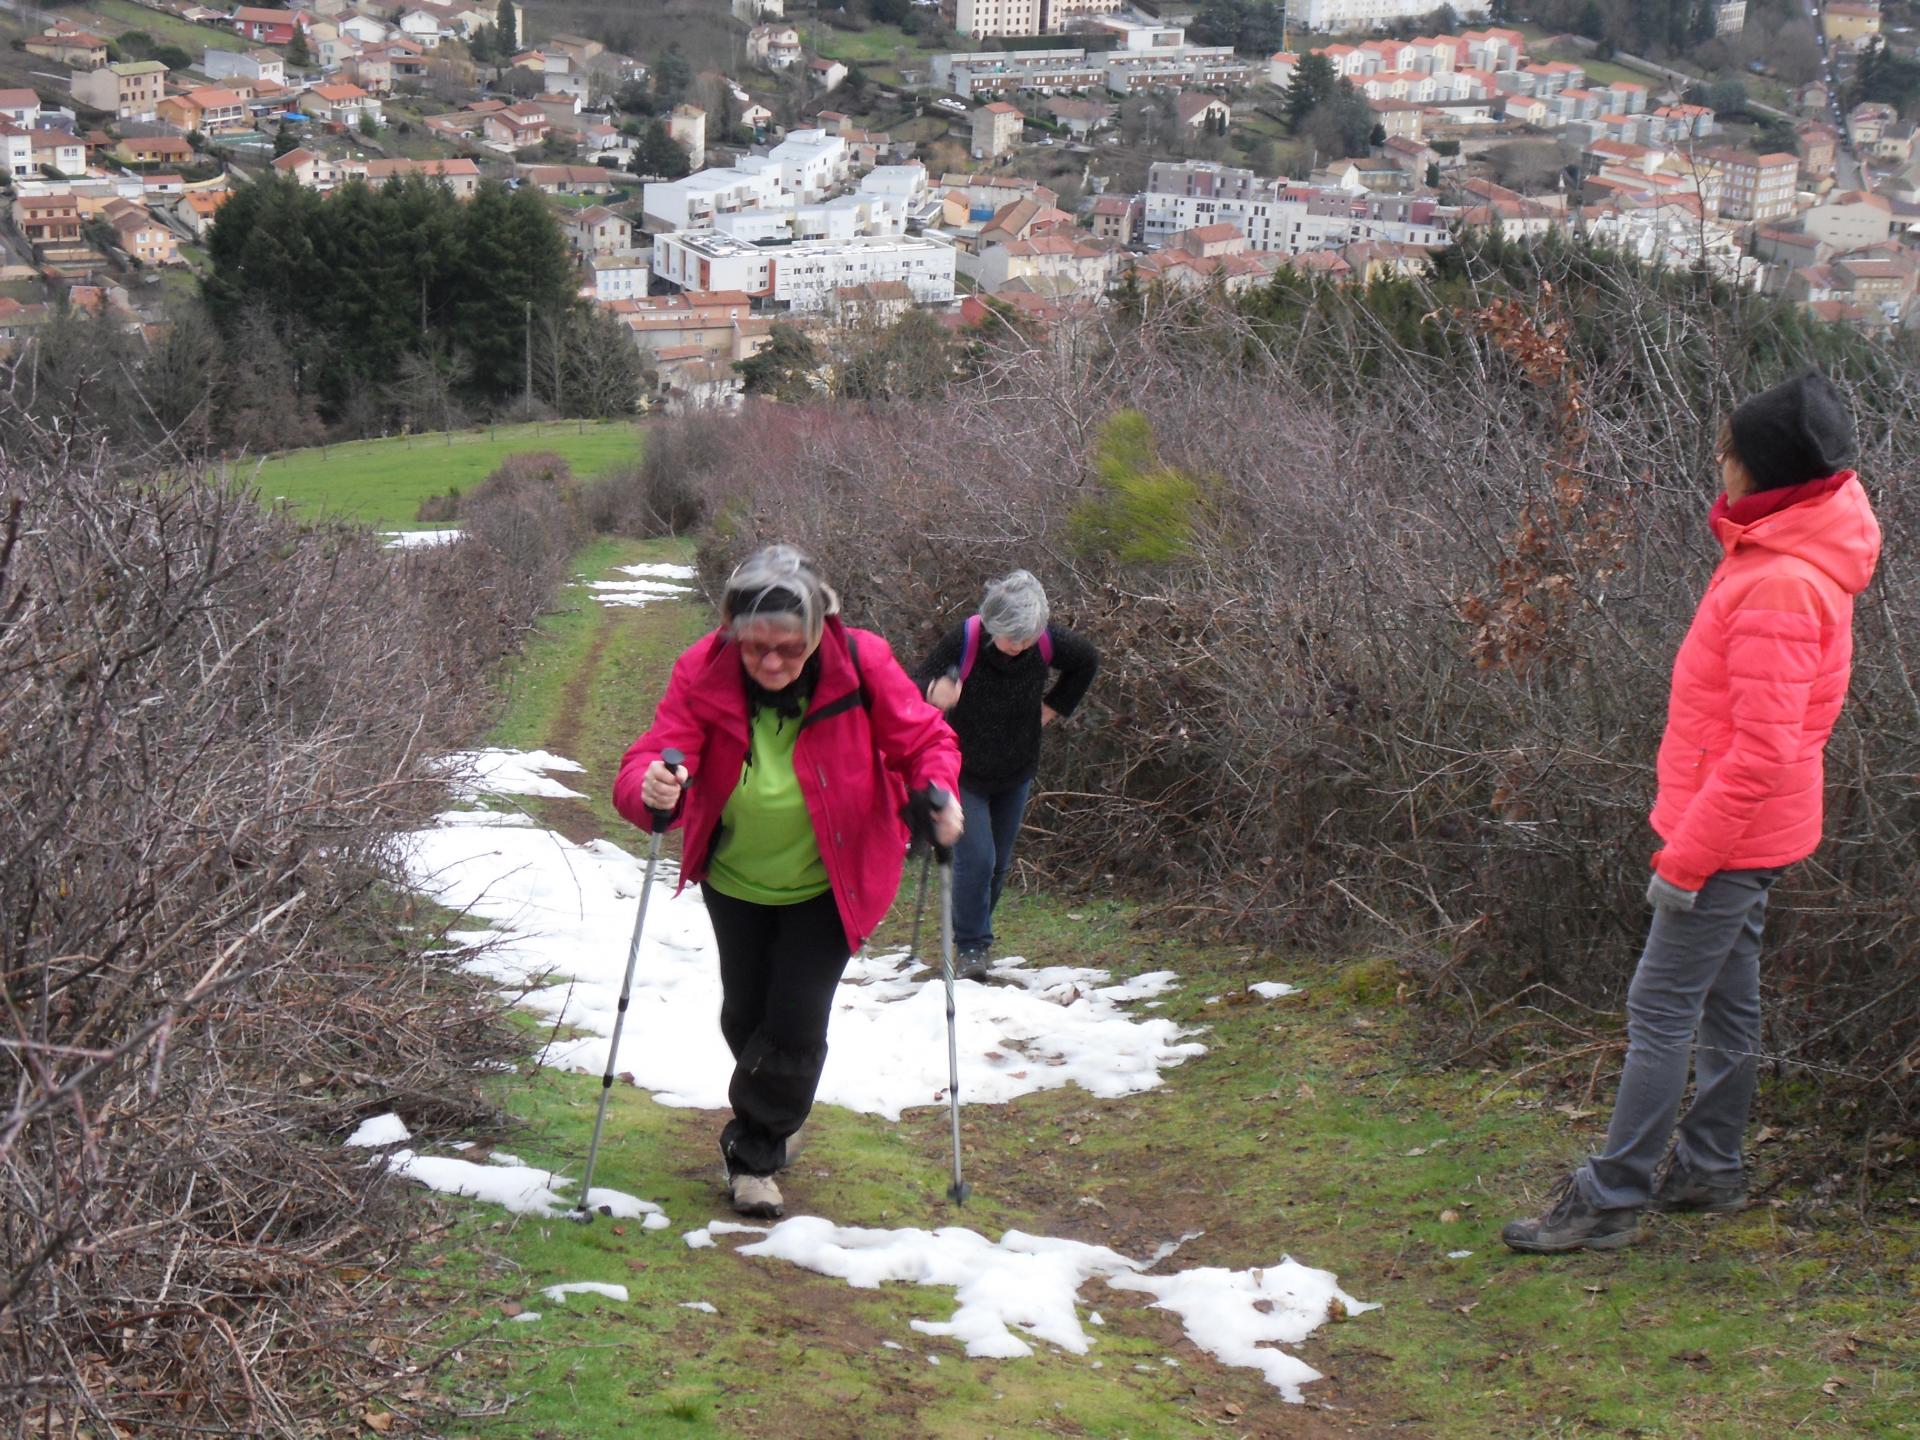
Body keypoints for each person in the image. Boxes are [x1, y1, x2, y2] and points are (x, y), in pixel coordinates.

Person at [1503, 370, 1882, 1254]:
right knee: (1726, 1002)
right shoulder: (1793, 548)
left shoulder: (1782, 580)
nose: (1719, 460)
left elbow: (1763, 748)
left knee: (1661, 1009)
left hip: (1727, 835)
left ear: (1764, 470)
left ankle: (1614, 1194)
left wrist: (1686, 860)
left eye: (1730, 449)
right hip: (1752, 828)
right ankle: (1710, 1168)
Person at [613, 546, 962, 1219]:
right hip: (736, 876)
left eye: (789, 649)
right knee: (745, 1016)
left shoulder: (862, 662)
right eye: (755, 648)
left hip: (835, 878)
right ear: (732, 633)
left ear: (818, 631)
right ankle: (779, 1106)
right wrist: (652, 787)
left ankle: (754, 1156)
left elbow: (926, 741)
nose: (771, 662)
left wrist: (937, 791)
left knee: (796, 1020)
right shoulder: (702, 667)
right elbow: (654, 755)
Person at [913, 570, 1099, 981]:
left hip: (1016, 768)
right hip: (961, 768)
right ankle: (973, 947)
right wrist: (934, 691)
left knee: (997, 866)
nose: (1018, 646)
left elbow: (1087, 661)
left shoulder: (1048, 641)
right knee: (977, 860)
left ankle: (974, 937)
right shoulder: (964, 639)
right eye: (1010, 637)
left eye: (1026, 639)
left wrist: (1051, 710)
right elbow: (914, 681)